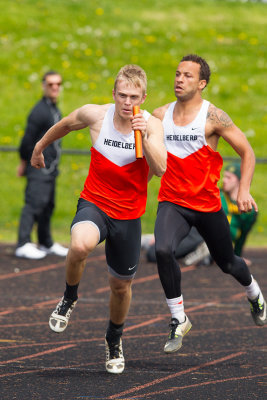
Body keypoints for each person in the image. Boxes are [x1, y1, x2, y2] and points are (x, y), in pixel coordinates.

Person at [30, 64, 167, 374]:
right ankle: (69, 297)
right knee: (79, 246)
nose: (126, 102)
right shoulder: (96, 115)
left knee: (120, 287)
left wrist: (145, 136)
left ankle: (114, 339)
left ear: (143, 97)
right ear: (113, 93)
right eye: (122, 95)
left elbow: (160, 169)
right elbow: (65, 124)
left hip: (128, 215)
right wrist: (40, 147)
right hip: (95, 202)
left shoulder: (153, 125)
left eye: (133, 96)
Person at [152, 54, 266, 354]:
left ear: (202, 83)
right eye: (177, 73)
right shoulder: (159, 114)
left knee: (228, 263)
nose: (179, 79)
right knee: (163, 250)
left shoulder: (214, 116)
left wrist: (243, 190)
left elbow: (247, 152)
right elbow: (145, 153)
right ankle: (179, 318)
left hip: (206, 204)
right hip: (172, 201)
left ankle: (254, 293)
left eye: (188, 76)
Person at [144, 162, 258, 267]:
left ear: (239, 180)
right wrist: (167, 232)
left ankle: (204, 252)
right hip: (196, 234)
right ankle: (148, 240)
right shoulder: (215, 195)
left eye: (229, 177)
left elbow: (242, 235)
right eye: (224, 176)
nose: (224, 180)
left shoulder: (249, 209)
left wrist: (236, 256)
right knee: (154, 253)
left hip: (218, 239)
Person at [15, 71, 69, 260]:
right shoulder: (39, 111)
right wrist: (24, 162)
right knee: (34, 204)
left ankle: (45, 242)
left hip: (51, 168)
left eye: (58, 84)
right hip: (38, 167)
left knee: (48, 206)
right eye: (50, 84)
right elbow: (26, 140)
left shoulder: (54, 109)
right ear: (43, 86)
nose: (55, 87)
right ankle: (22, 243)